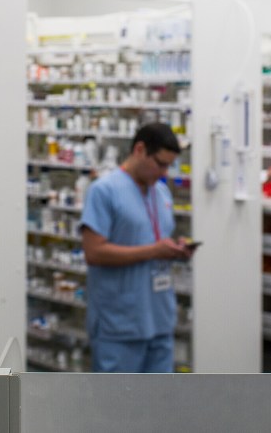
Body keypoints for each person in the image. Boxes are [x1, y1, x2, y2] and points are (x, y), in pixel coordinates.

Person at [80, 122, 194, 373]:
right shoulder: (104, 191)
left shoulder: (161, 193)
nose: (164, 172)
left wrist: (176, 250)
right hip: (120, 325)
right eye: (160, 164)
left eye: (169, 166)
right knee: (119, 408)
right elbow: (94, 252)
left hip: (159, 319)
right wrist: (153, 251)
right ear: (140, 149)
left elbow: (154, 240)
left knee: (157, 406)